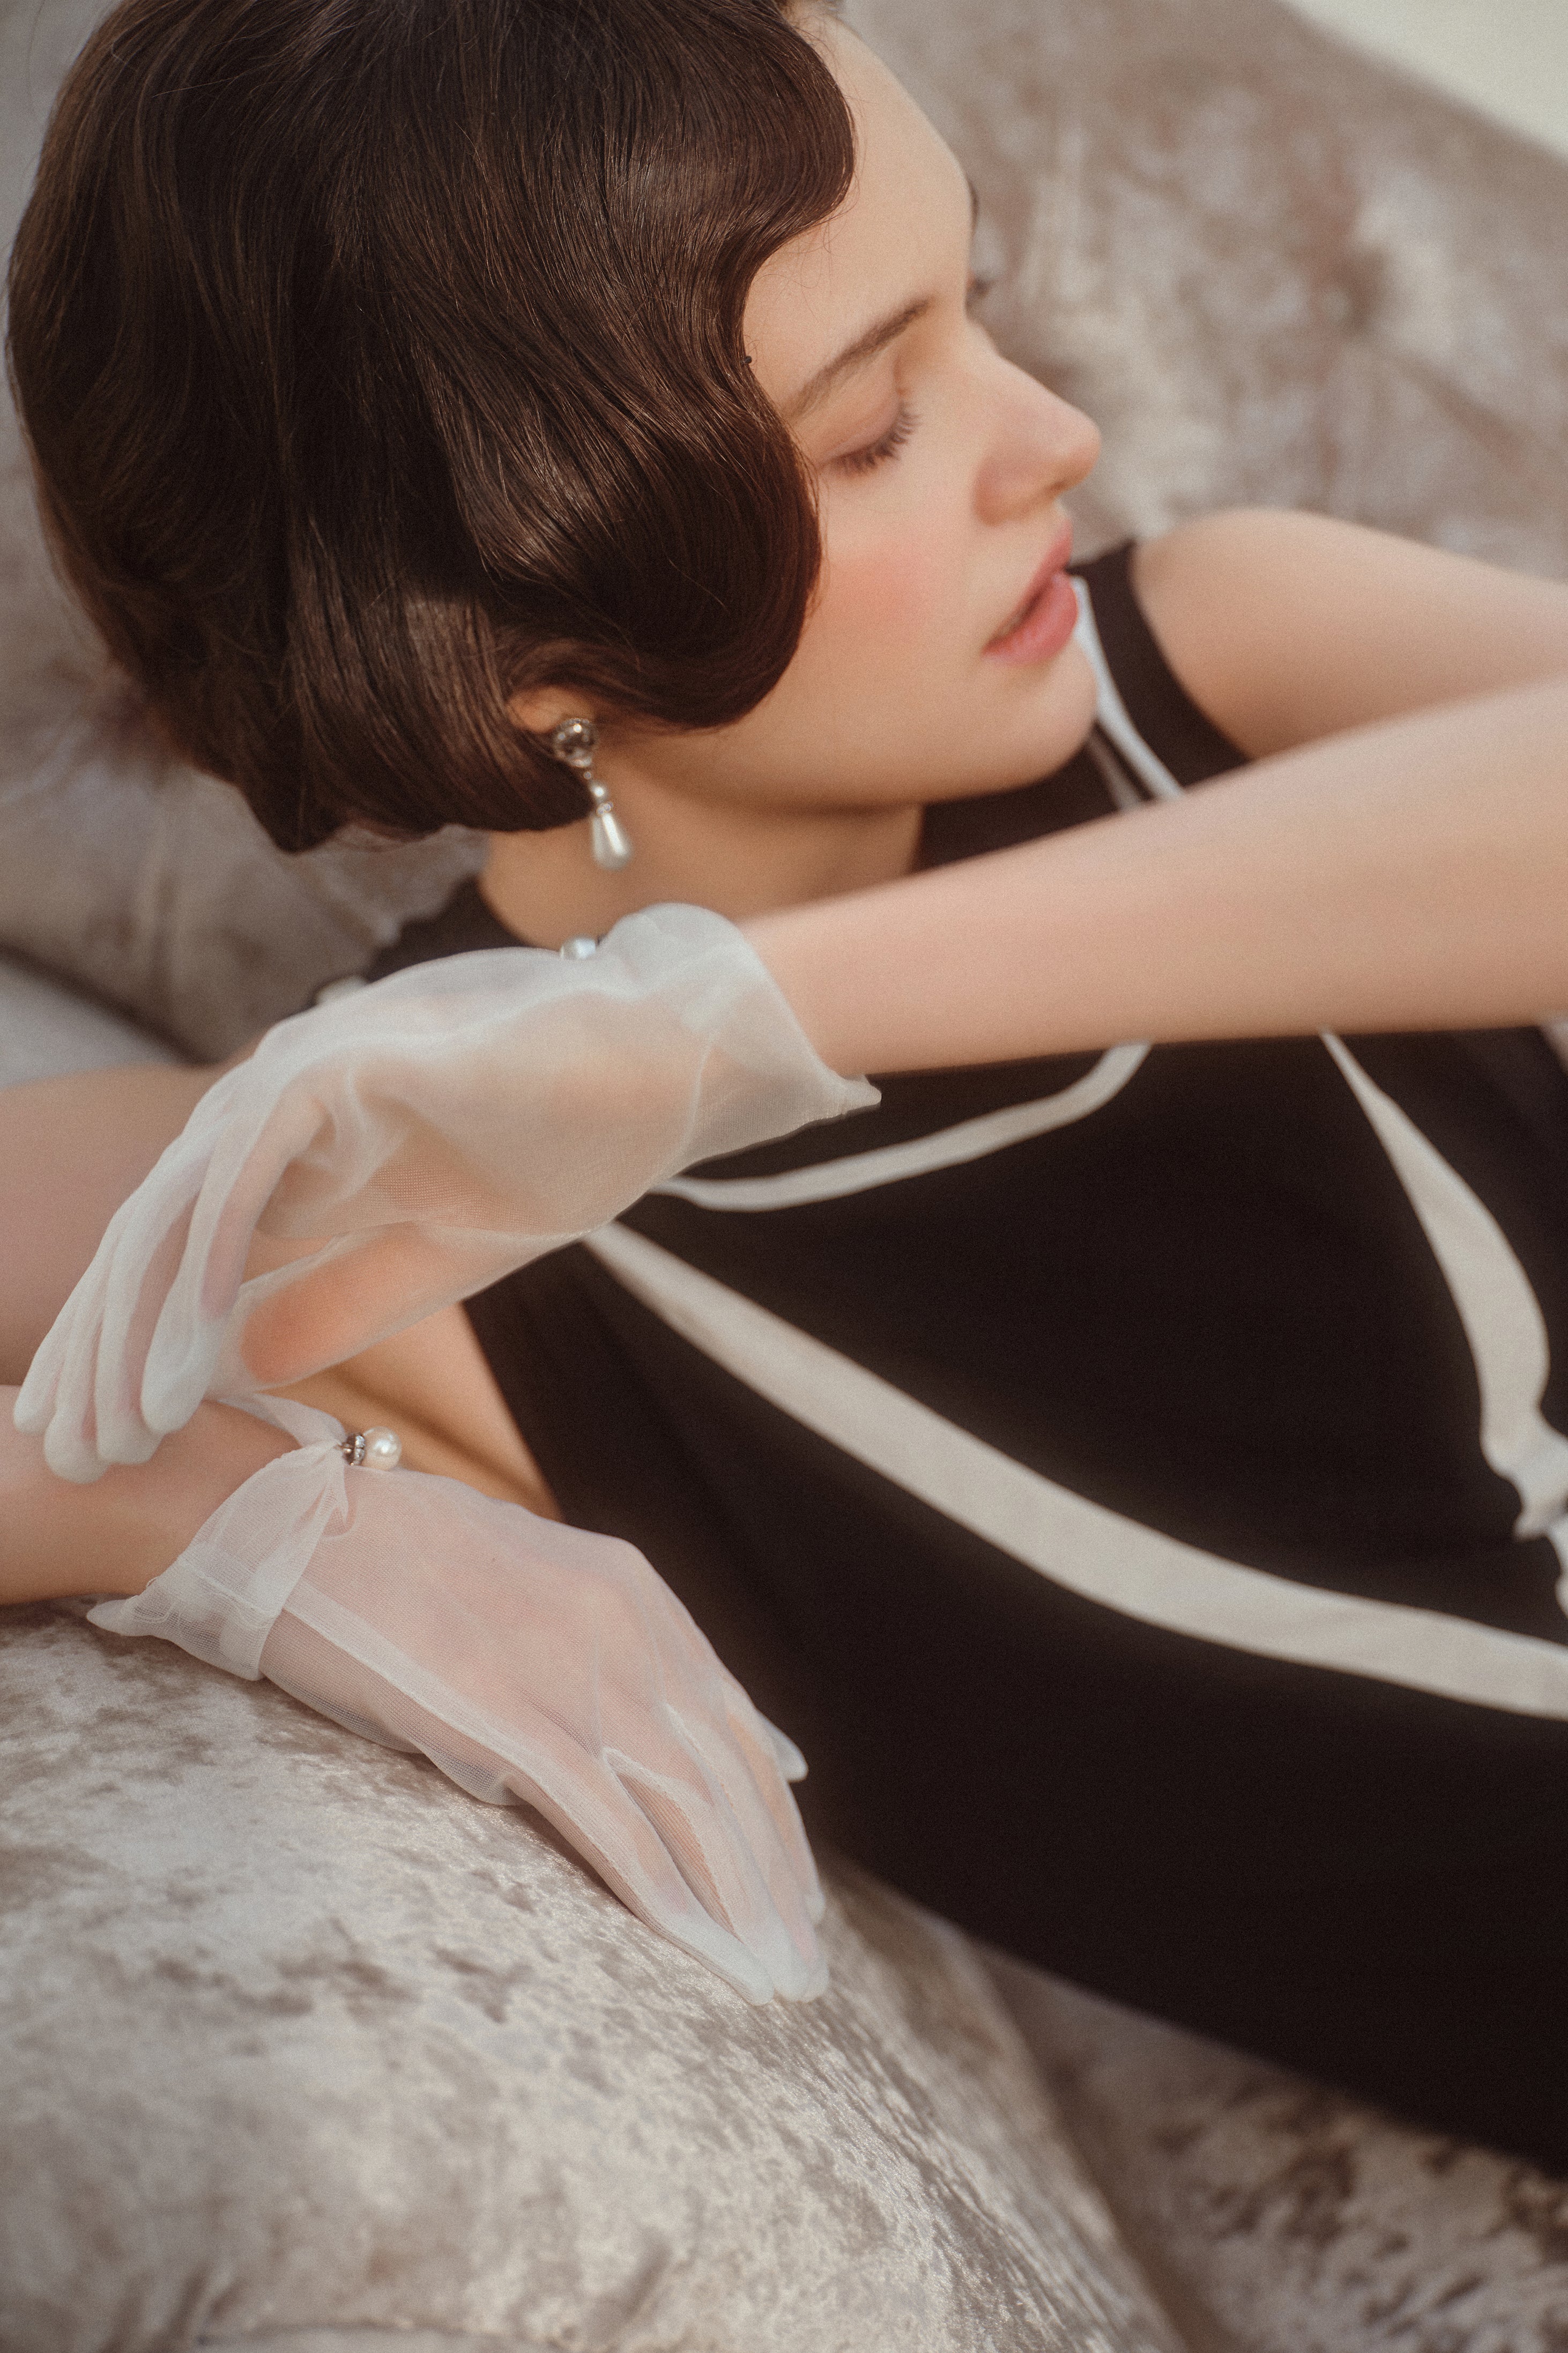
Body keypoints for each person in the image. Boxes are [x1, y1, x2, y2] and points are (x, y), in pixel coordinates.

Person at [5, 0, 1568, 2151]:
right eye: (876, 427)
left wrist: (730, 1011)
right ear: (531, 648)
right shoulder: (391, 1189)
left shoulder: (1219, 664)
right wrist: (206, 1519)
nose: (1058, 437)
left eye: (981, 310)